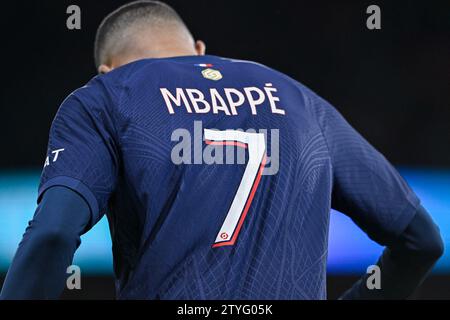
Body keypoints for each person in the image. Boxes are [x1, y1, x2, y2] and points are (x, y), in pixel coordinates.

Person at [0, 0, 443, 299]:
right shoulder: (299, 98)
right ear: (197, 50)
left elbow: (54, 234)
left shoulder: (106, 96)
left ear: (107, 69)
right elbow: (420, 240)